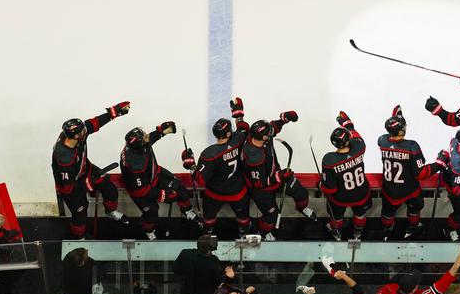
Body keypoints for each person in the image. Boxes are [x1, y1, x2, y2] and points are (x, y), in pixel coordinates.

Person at [52, 102, 131, 238]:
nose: (85, 130)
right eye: (82, 130)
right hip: (70, 186)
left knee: (109, 188)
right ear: (76, 136)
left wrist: (115, 111)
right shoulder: (64, 158)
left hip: (85, 169)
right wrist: (85, 185)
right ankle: (80, 238)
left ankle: (110, 211)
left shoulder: (76, 135)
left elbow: (94, 123)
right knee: (80, 213)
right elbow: (66, 186)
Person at [120, 121, 203, 240]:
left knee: (178, 186)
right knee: (152, 212)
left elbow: (148, 140)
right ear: (139, 145)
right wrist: (163, 195)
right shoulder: (135, 165)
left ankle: (187, 210)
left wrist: (160, 132)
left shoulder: (134, 146)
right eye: (144, 136)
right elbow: (142, 190)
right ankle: (148, 230)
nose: (146, 135)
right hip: (140, 190)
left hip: (154, 174)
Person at [378, 105, 450, 240]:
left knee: (388, 212)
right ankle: (412, 227)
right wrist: (439, 163)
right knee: (415, 208)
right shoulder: (412, 146)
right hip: (409, 188)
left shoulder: (382, 141)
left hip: (389, 189)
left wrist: (396, 118)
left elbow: (390, 136)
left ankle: (387, 230)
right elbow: (421, 173)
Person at [182, 98, 251, 238]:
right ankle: (243, 232)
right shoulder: (238, 140)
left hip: (215, 193)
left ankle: (207, 232)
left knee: (209, 217)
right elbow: (243, 128)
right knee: (242, 216)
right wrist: (238, 114)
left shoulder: (209, 154)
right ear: (228, 134)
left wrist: (190, 165)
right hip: (238, 191)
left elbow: (200, 179)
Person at [242, 111, 315, 241]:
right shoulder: (253, 157)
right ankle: (264, 233)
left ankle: (302, 207)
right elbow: (258, 183)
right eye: (269, 134)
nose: (272, 134)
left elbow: (273, 127)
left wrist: (284, 119)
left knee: (301, 192)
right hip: (262, 190)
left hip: (277, 176)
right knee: (271, 216)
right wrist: (279, 176)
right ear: (263, 137)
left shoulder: (259, 137)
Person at [319, 111, 370, 241]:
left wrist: (321, 185)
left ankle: (337, 233)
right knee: (360, 214)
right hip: (361, 193)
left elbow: (329, 189)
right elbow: (356, 136)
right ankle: (358, 233)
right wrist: (348, 124)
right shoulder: (359, 148)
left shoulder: (329, 160)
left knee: (337, 217)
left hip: (340, 198)